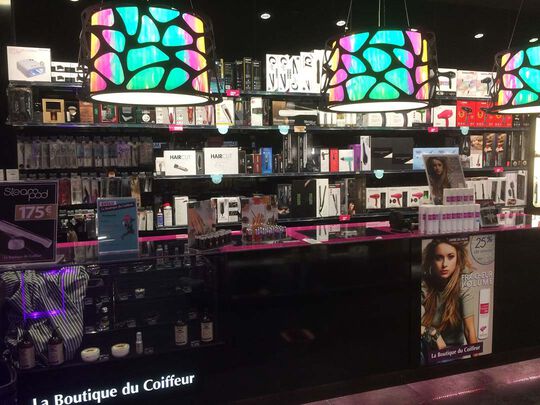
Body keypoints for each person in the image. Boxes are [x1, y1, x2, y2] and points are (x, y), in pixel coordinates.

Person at [420, 239, 478, 363]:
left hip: (450, 350)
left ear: (458, 259)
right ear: (431, 260)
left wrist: (477, 365)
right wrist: (433, 333)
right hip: (426, 345)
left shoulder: (463, 285)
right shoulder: (424, 285)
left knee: (441, 362)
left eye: (450, 257)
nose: (444, 264)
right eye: (438, 258)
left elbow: (469, 329)